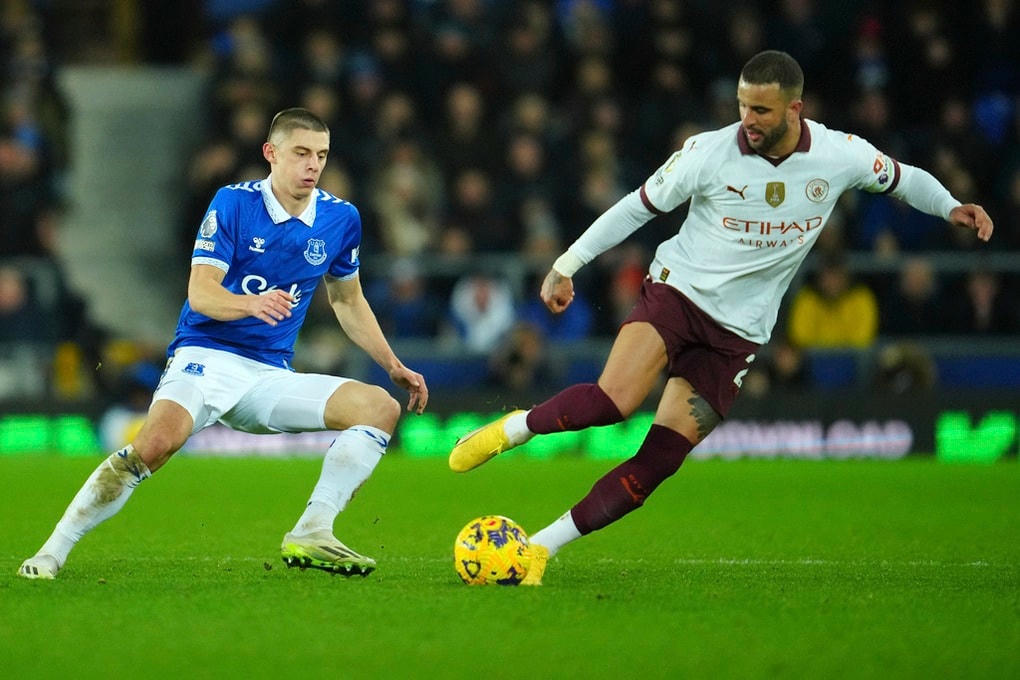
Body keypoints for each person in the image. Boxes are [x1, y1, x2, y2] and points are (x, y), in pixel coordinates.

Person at [447, 50, 993, 585]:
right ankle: (512, 429)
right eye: (741, 107)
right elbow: (635, 207)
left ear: (795, 109)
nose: (747, 122)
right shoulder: (706, 154)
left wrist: (950, 206)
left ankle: (539, 548)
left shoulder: (839, 154)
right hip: (678, 296)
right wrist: (567, 264)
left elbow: (904, 178)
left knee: (658, 462)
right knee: (613, 402)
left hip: (738, 334)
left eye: (761, 111)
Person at [18, 108, 429, 580]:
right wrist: (249, 305)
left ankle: (314, 529)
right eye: (301, 153)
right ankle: (52, 551)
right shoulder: (233, 204)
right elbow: (201, 292)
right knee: (154, 445)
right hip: (205, 358)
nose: (312, 166)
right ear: (270, 154)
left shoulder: (340, 218)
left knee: (379, 407)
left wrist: (392, 364)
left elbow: (348, 300)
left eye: (320, 155)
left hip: (270, 375)